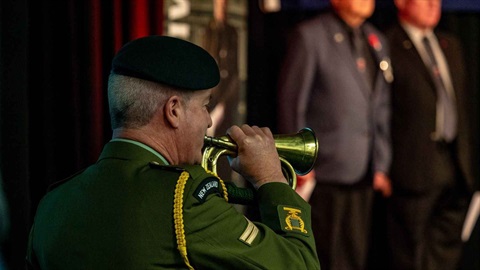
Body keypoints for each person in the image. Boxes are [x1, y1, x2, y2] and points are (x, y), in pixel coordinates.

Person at [26, 36, 320, 269]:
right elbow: (300, 264)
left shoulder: (53, 204)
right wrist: (271, 178)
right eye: (205, 105)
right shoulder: (185, 199)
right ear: (174, 110)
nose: (208, 121)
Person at [276, 0, 393, 269]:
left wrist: (382, 162)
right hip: (324, 171)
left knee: (355, 255)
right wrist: (299, 163)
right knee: (327, 256)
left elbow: (381, 107)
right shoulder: (311, 36)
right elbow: (292, 103)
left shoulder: (376, 40)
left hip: (365, 169)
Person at [385, 1, 476, 269]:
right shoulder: (387, 44)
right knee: (410, 255)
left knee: (445, 252)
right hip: (411, 170)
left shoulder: (451, 45)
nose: (432, 4)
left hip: (453, 166)